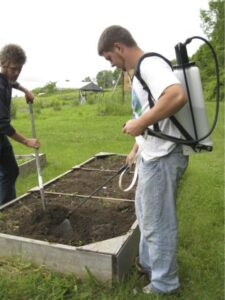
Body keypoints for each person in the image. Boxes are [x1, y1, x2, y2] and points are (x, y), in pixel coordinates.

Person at [98, 25, 189, 295]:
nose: (111, 64)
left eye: (108, 58)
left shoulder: (149, 64)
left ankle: (164, 284)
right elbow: (150, 114)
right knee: (146, 215)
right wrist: (135, 148)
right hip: (151, 154)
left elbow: (176, 96)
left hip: (163, 157)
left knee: (158, 221)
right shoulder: (138, 73)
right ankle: (148, 265)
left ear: (118, 47)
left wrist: (139, 124)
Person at [0, 44, 40, 205]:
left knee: (11, 171)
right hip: (1, 131)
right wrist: (26, 141)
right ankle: (5, 210)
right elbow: (3, 124)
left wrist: (25, 90)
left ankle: (7, 206)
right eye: (13, 69)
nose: (16, 73)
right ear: (3, 63)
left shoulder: (7, 80)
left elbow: (13, 83)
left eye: (19, 69)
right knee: (8, 171)